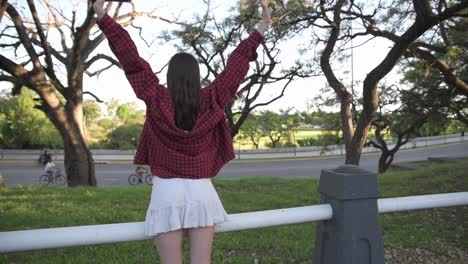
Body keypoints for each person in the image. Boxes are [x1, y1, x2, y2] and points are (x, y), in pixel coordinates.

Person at [93, 1, 271, 263]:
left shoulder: (155, 97)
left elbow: (131, 61)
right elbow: (236, 64)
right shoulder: (212, 98)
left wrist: (102, 16)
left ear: (170, 75)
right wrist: (261, 28)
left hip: (166, 192)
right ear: (196, 76)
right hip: (202, 192)